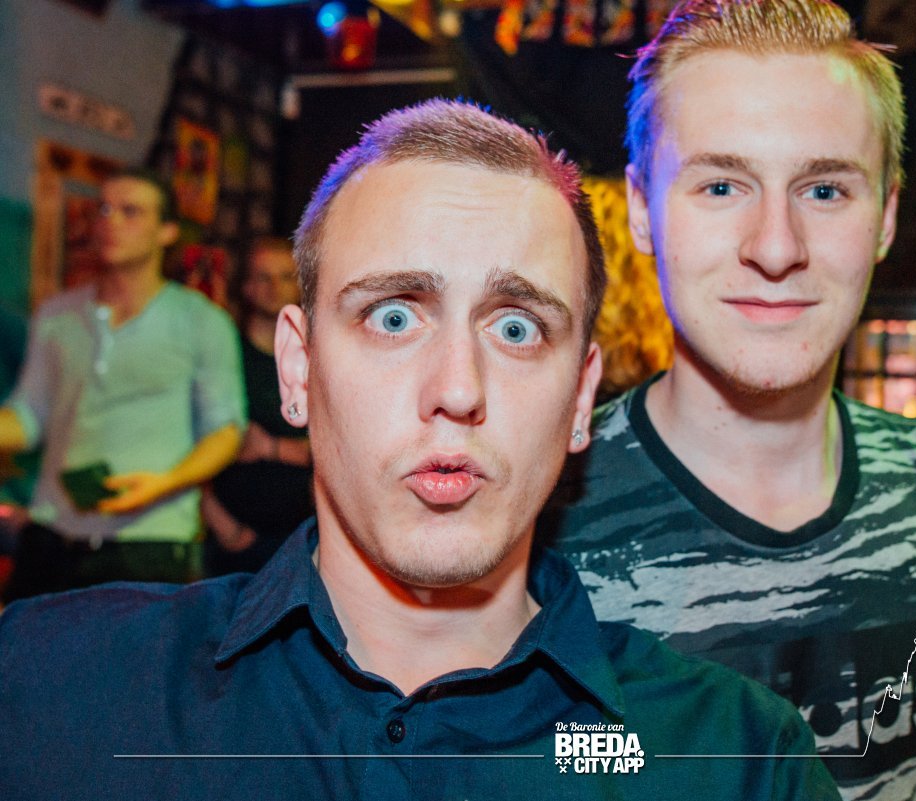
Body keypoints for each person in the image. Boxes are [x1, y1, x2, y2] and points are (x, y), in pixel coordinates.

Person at [0, 100, 840, 801]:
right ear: (298, 369)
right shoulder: (54, 686)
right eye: (394, 316)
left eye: (517, 329)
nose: (457, 387)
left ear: (581, 398)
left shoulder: (728, 758)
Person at [541, 1, 916, 799]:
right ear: (643, 210)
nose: (777, 247)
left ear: (886, 216)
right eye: (722, 185)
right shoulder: (539, 520)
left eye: (824, 189)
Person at [0, 169, 245, 601]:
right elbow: (29, 416)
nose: (110, 221)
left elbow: (225, 430)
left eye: (130, 211)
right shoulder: (56, 314)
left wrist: (163, 483)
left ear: (166, 231)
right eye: (103, 209)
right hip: (52, 533)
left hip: (151, 542)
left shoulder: (202, 321)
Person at [202, 237, 313, 575]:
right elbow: (186, 443)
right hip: (233, 537)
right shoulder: (224, 355)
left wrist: (270, 447)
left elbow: (341, 446)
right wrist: (225, 528)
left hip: (304, 537)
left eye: (285, 277)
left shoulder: (317, 358)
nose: (274, 287)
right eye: (264, 277)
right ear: (246, 287)